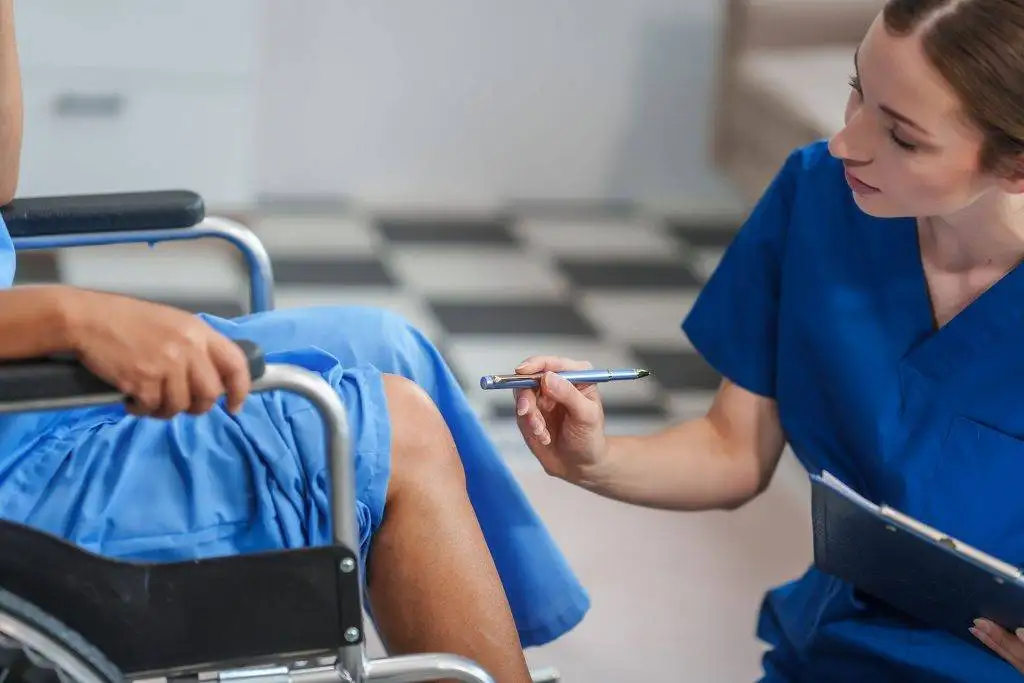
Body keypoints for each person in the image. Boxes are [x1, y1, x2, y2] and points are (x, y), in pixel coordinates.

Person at [0, 4, 590, 682]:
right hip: (19, 454)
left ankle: (487, 649)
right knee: (395, 430)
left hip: (29, 390)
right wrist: (68, 318)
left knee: (384, 345)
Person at [511, 0, 1024, 680]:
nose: (847, 141)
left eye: (901, 137)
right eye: (856, 90)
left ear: (1014, 164)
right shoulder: (818, 196)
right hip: (836, 645)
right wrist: (593, 459)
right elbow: (733, 450)